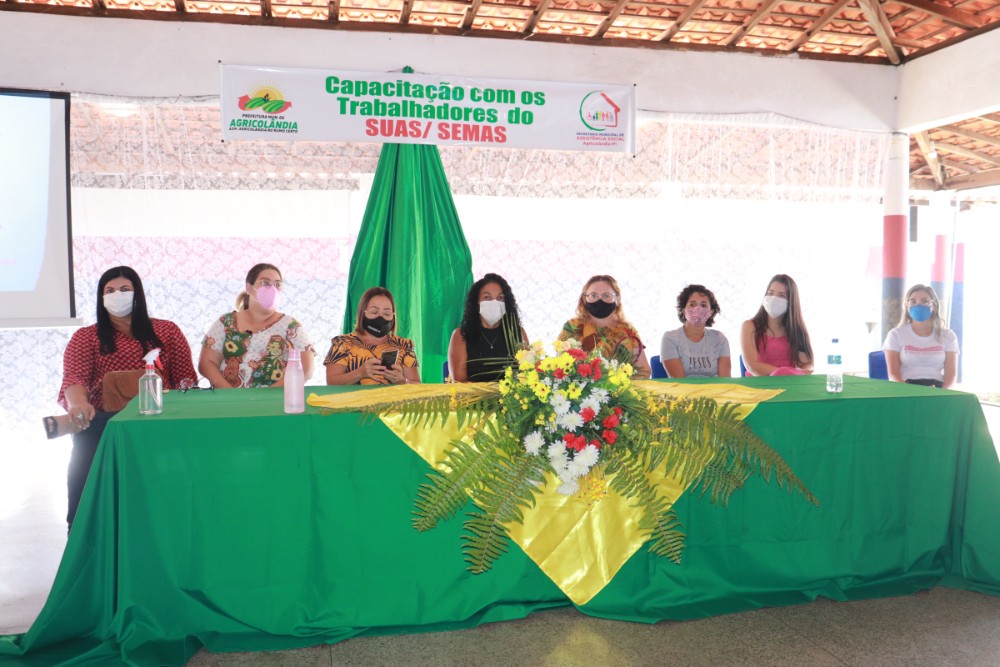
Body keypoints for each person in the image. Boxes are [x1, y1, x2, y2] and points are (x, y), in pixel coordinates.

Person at [58, 265, 197, 529]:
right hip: (102, 428)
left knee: (159, 506)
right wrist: (78, 403)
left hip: (159, 429)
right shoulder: (86, 337)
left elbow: (185, 381)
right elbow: (74, 380)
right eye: (109, 291)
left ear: (138, 294)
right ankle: (86, 559)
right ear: (100, 298)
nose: (116, 295)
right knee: (87, 506)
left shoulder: (167, 332)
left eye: (124, 289)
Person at [199, 263, 314, 388]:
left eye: (278, 284)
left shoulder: (291, 326)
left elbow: (306, 370)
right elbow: (207, 363)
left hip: (272, 401)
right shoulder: (226, 322)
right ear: (249, 288)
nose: (272, 288)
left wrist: (265, 397)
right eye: (265, 282)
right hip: (227, 400)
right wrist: (230, 394)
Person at [558, 274, 651, 379]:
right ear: (584, 298)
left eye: (606, 295)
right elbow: (562, 366)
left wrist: (625, 391)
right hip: (582, 392)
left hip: (623, 392)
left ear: (617, 298)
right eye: (593, 295)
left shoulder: (628, 330)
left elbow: (643, 370)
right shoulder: (572, 327)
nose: (599, 300)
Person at [325, 286, 421, 385]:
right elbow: (331, 382)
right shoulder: (342, 343)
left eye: (387, 313)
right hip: (355, 400)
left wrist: (402, 381)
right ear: (362, 313)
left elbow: (417, 386)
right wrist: (360, 373)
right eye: (374, 312)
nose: (380, 317)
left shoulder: (404, 345)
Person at [448, 273, 529, 382]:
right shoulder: (461, 335)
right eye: (487, 297)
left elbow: (528, 375)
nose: (494, 303)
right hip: (474, 398)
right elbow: (459, 383)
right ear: (476, 302)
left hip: (511, 398)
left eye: (500, 298)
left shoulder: (517, 333)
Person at [883, 284, 959, 388]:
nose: (918, 305)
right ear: (907, 306)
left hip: (937, 390)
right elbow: (893, 375)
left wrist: (942, 395)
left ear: (934, 306)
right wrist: (910, 394)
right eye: (913, 302)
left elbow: (951, 376)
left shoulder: (948, 336)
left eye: (925, 301)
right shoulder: (895, 335)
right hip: (906, 389)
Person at [740, 274, 814, 376]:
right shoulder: (749, 326)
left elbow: (808, 364)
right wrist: (784, 373)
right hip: (759, 387)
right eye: (770, 293)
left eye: (781, 295)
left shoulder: (797, 330)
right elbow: (752, 366)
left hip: (790, 384)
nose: (774, 299)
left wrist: (796, 373)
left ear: (791, 302)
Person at [660, 284, 731, 378]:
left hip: (713, 391)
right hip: (683, 392)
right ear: (684, 310)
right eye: (692, 304)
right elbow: (679, 381)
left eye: (703, 305)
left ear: (711, 312)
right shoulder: (671, 338)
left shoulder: (719, 338)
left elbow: (725, 380)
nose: (698, 308)